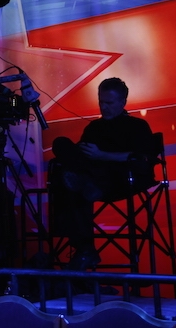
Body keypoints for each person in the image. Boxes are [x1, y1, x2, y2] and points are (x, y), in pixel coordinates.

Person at [49, 77, 157, 270]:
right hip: (89, 175)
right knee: (61, 145)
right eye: (101, 102)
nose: (103, 107)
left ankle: (85, 249)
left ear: (123, 102)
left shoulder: (137, 126)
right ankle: (85, 247)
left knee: (75, 186)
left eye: (109, 103)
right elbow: (81, 155)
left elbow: (142, 158)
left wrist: (102, 155)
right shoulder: (94, 128)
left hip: (119, 178)